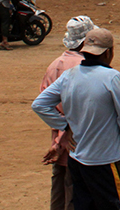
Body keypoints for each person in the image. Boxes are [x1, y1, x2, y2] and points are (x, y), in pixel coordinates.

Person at [32, 28, 120, 210]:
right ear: (108, 52)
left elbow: (40, 104)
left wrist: (64, 126)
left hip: (77, 159)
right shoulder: (111, 77)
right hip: (107, 159)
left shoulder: (69, 75)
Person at [41, 17, 98, 210]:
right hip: (78, 143)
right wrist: (63, 139)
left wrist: (57, 139)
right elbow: (81, 111)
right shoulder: (86, 67)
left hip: (59, 140)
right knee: (76, 195)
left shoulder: (54, 65)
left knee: (58, 192)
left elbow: (44, 104)